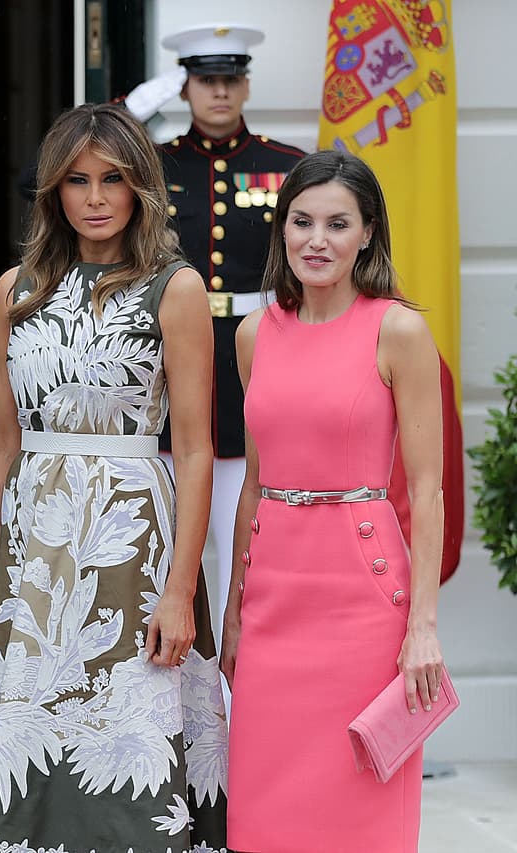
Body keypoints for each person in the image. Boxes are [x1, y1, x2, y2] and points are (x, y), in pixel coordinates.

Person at [0, 102, 227, 852]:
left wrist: (178, 591)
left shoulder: (176, 288)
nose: (97, 197)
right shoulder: (15, 290)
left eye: (113, 178)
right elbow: (0, 445)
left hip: (132, 546)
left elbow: (196, 448)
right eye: (78, 180)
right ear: (54, 191)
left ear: (141, 186)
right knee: (30, 750)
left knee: (127, 748)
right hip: (35, 554)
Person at [221, 149, 445, 852]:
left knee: (361, 811)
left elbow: (429, 490)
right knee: (261, 811)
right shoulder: (254, 334)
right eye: (301, 221)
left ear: (368, 233)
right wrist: (233, 608)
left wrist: (424, 627)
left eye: (337, 224)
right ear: (282, 229)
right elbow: (254, 484)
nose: (316, 240)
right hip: (274, 600)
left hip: (364, 598)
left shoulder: (398, 330)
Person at [146, 25, 306, 681]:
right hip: (168, 372)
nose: (218, 91)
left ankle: (246, 715)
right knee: (164, 568)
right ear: (183, 86)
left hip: (253, 368)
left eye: (230, 79)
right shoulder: (149, 161)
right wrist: (127, 112)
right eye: (205, 79)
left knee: (249, 563)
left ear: (244, 85)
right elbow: (39, 182)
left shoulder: (287, 162)